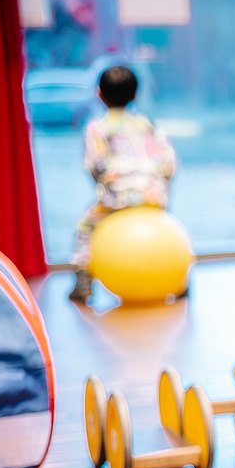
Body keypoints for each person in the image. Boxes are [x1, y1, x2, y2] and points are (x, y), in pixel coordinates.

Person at [70, 65, 177, 302]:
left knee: (85, 228)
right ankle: (179, 280)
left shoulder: (96, 127)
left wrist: (105, 186)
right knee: (166, 228)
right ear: (135, 95)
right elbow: (168, 160)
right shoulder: (147, 124)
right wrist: (159, 184)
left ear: (100, 94)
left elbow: (94, 164)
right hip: (153, 194)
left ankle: (83, 278)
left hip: (117, 198)